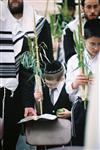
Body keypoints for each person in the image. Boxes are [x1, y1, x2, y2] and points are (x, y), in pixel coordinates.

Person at [0, 0, 53, 150]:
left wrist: (30, 99)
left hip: (24, 94)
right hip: (2, 90)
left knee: (15, 142)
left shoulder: (39, 24)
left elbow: (45, 63)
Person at [65, 18, 100, 145]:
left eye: (99, 44)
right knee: (80, 142)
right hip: (80, 108)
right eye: (92, 43)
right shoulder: (74, 60)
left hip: (98, 106)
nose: (96, 48)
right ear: (84, 39)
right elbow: (68, 88)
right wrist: (75, 83)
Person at [32, 60, 72, 149]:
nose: (48, 86)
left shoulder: (69, 90)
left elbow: (78, 110)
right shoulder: (43, 90)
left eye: (51, 84)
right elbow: (38, 113)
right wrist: (36, 101)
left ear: (61, 78)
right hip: (45, 136)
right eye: (46, 83)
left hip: (63, 137)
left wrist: (70, 113)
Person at [58, 0, 100, 70]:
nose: (92, 11)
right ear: (82, 8)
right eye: (89, 7)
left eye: (95, 7)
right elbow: (69, 57)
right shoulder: (71, 29)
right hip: (80, 74)